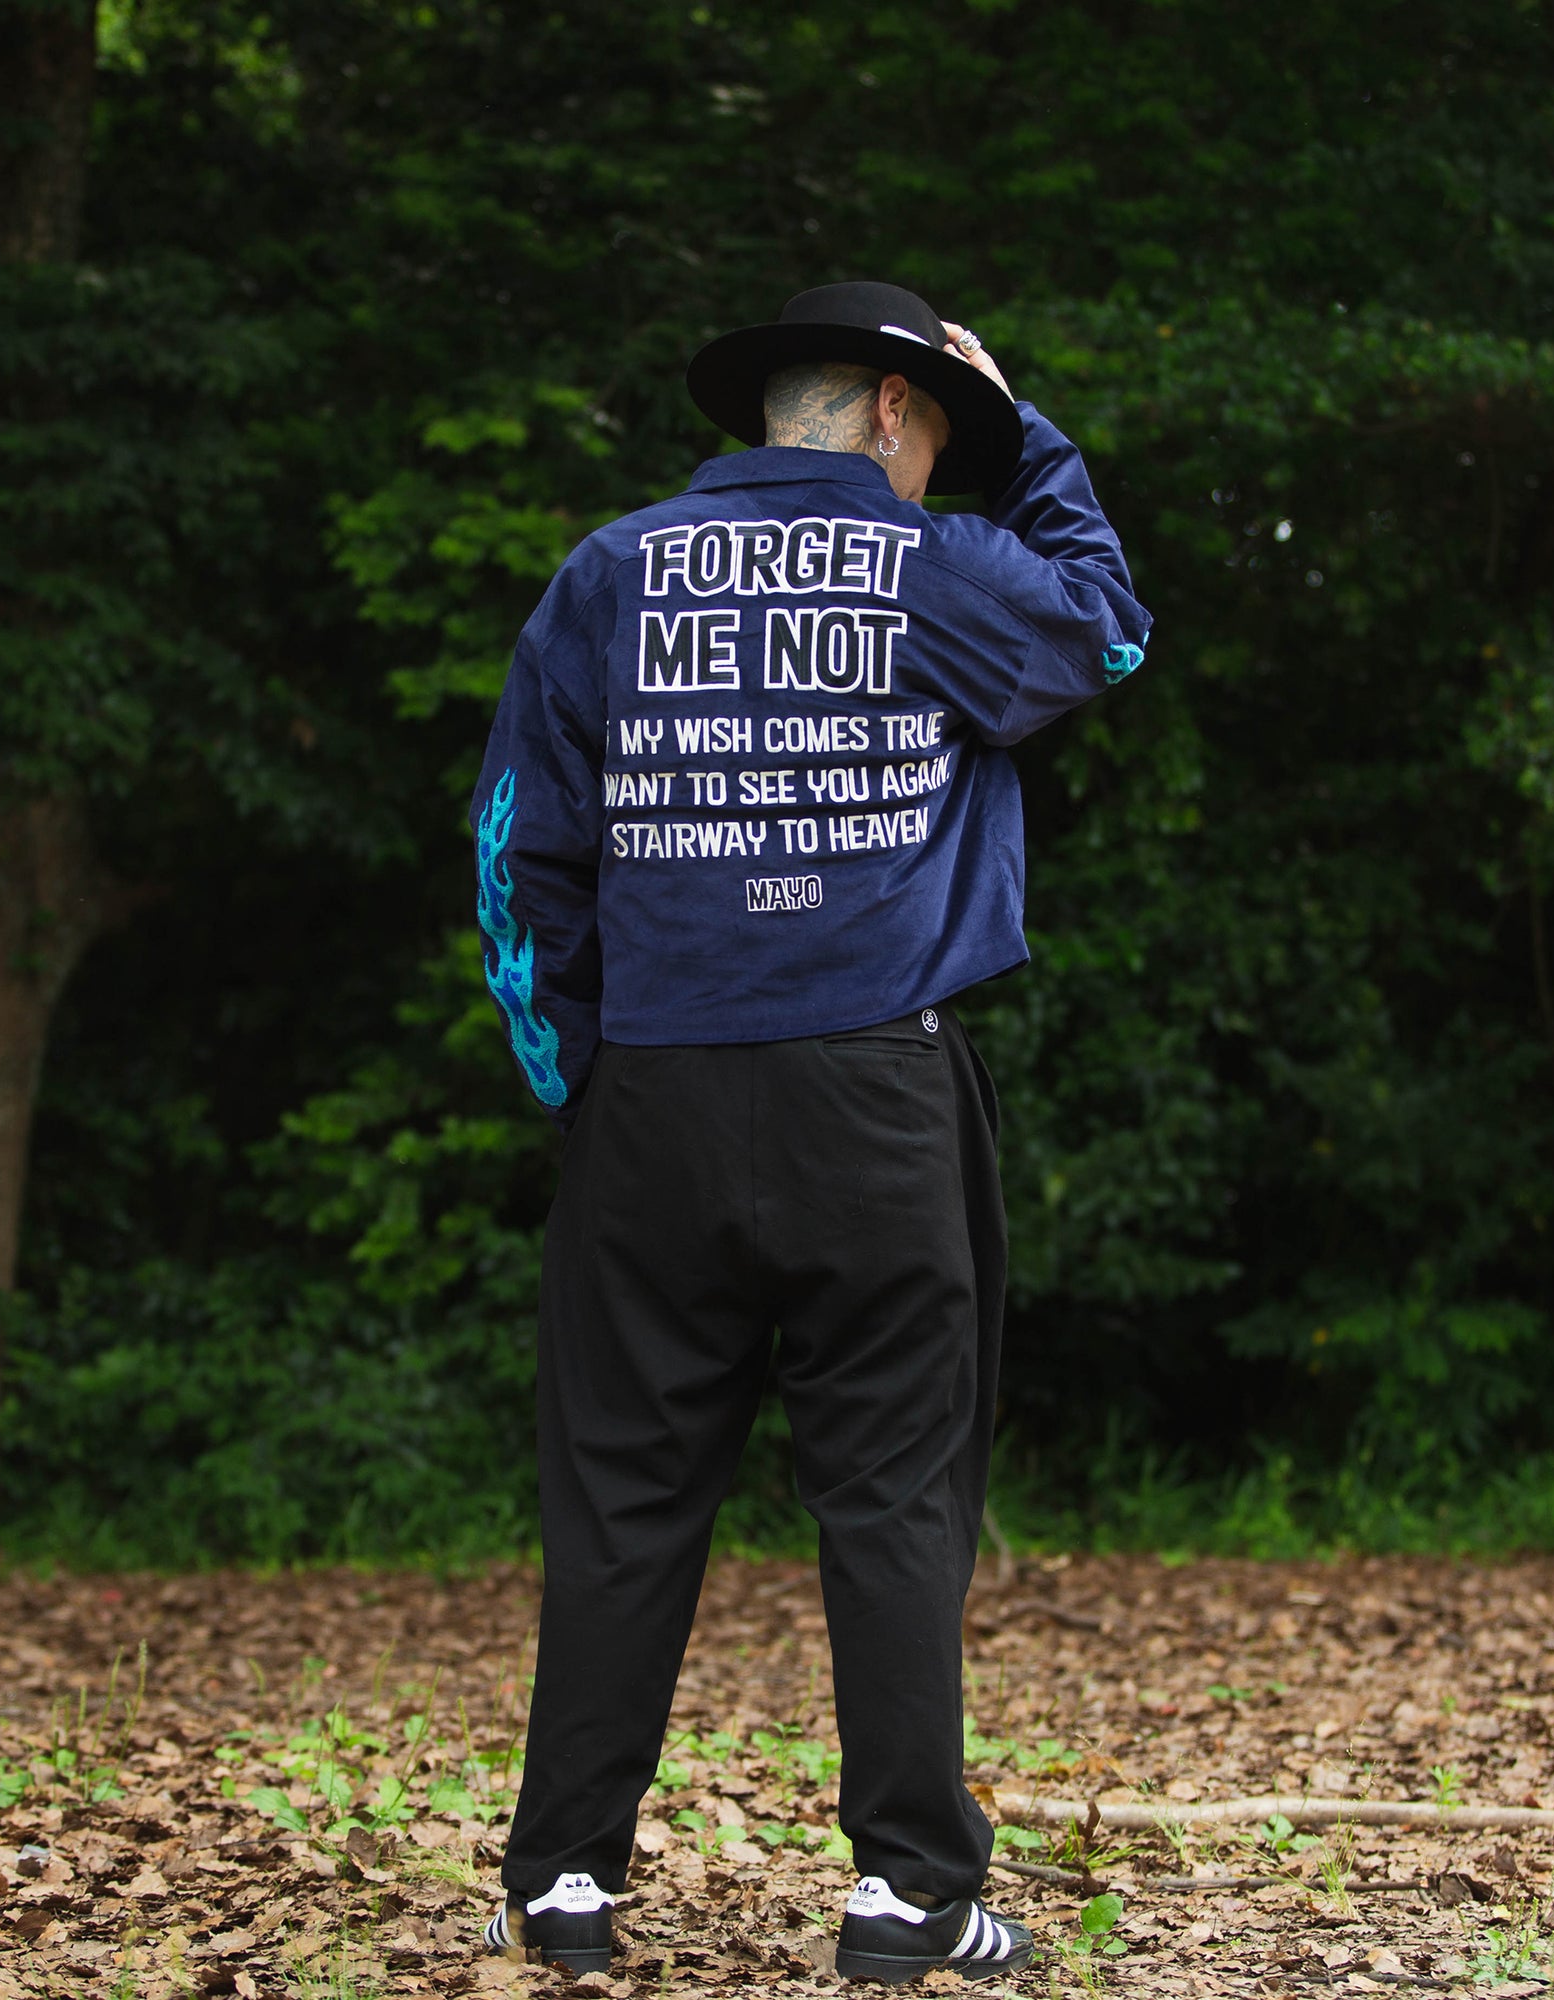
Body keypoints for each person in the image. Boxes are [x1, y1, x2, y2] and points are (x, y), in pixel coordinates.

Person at [470, 280, 1151, 1984]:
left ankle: (561, 1885)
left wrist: (580, 1076)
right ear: (897, 418)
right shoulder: (934, 570)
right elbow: (1108, 627)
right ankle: (912, 1897)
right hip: (875, 1097)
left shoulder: (607, 575)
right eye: (950, 437)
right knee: (897, 1497)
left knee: (622, 1497)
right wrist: (1038, 431)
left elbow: (517, 850)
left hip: (657, 1097)